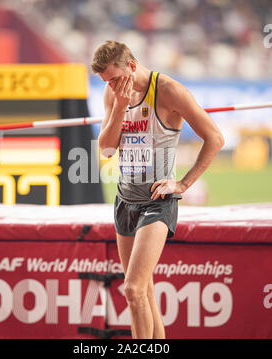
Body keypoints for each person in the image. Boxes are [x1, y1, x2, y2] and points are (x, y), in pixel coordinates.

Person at [91, 40, 224, 339]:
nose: (111, 86)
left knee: (133, 289)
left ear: (132, 66)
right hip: (125, 198)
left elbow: (215, 137)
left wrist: (184, 184)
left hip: (157, 201)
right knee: (145, 292)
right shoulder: (113, 95)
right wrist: (120, 108)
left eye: (114, 79)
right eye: (106, 82)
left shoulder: (168, 90)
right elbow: (107, 149)